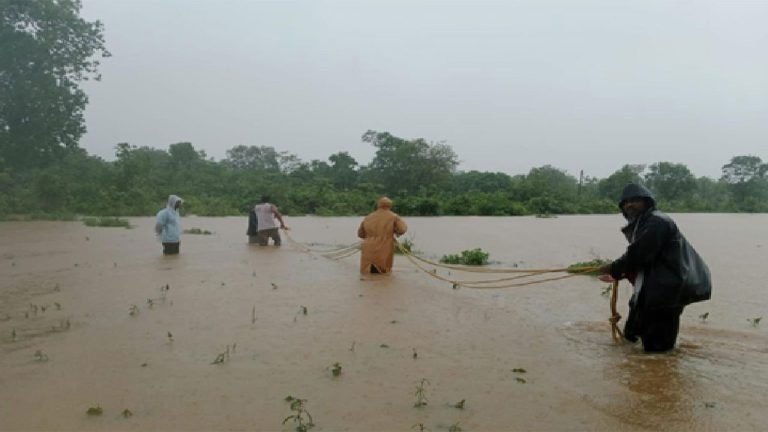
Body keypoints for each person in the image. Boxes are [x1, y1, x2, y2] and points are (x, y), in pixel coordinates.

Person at [598, 183, 711, 352]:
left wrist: (612, 268)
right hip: (651, 288)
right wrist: (618, 274)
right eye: (625, 202)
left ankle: (660, 373)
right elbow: (647, 258)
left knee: (658, 352)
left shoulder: (658, 222)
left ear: (647, 202)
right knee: (631, 337)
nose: (629, 205)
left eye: (635, 200)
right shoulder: (643, 223)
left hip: (667, 291)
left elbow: (639, 254)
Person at [357, 197, 408, 274]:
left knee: (366, 272)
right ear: (390, 205)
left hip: (367, 248)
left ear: (378, 205)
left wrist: (370, 236)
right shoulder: (394, 217)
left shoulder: (368, 217)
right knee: (383, 273)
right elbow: (402, 229)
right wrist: (395, 231)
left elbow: (360, 234)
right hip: (384, 247)